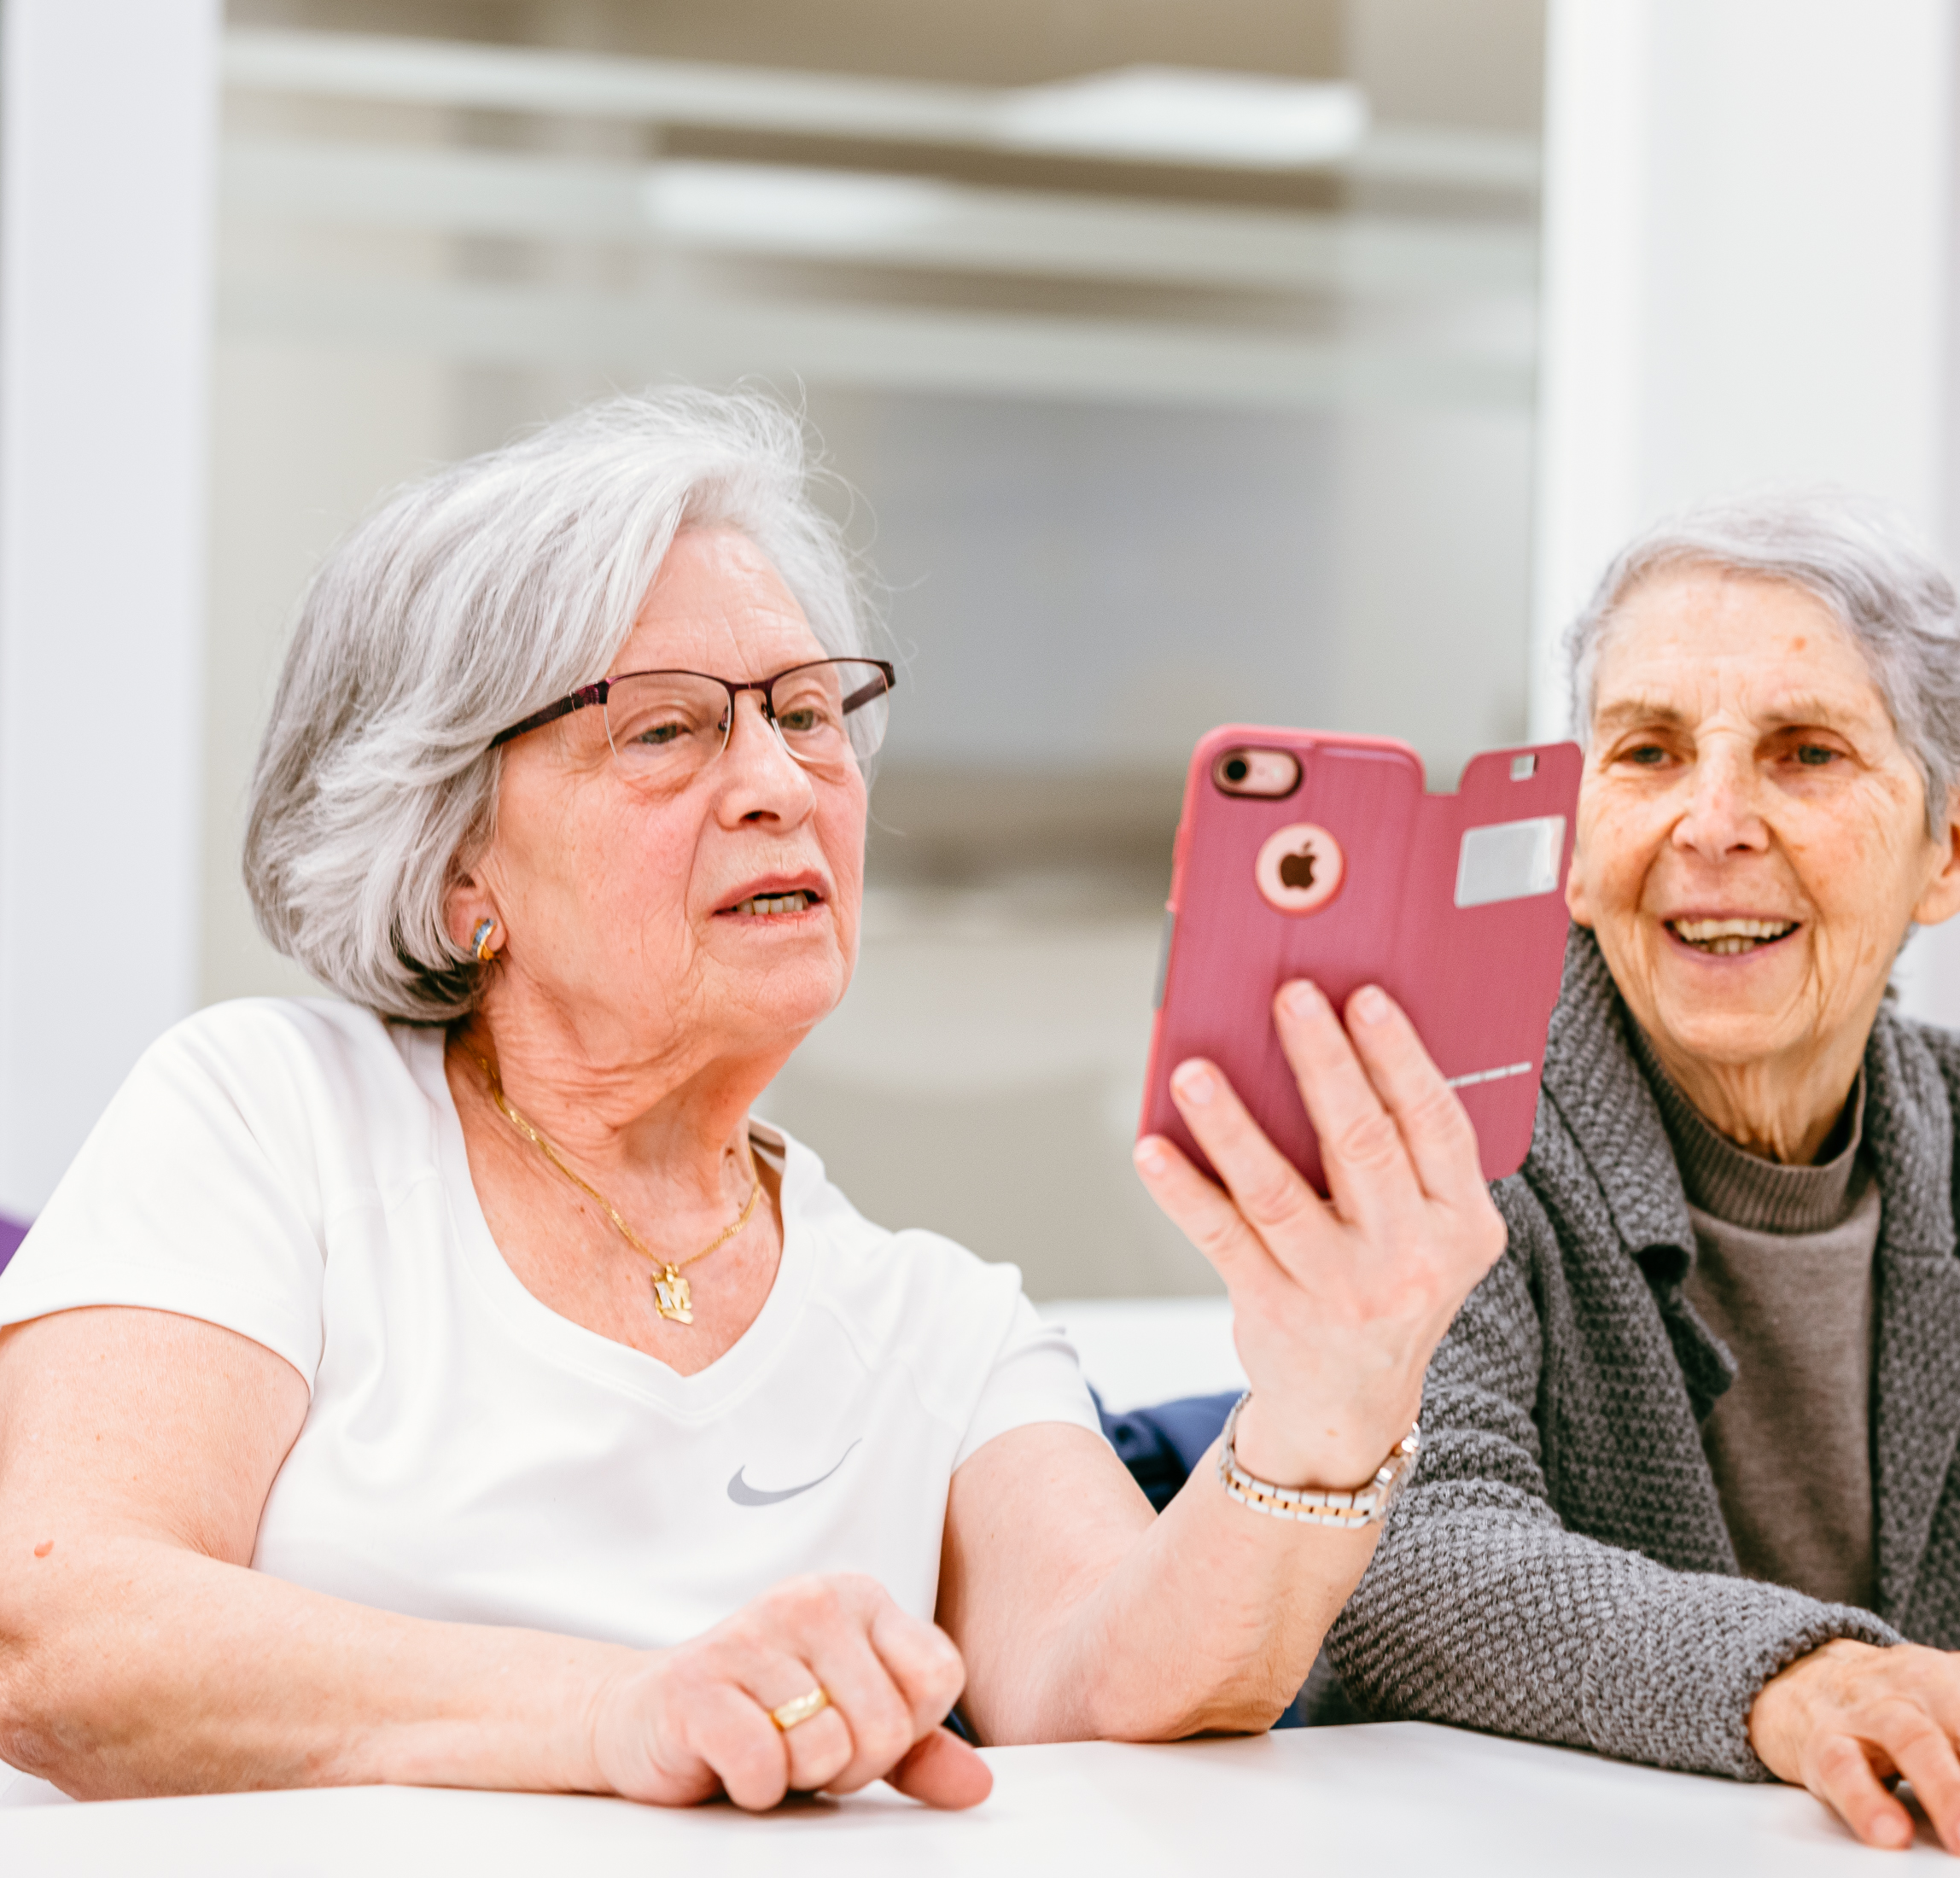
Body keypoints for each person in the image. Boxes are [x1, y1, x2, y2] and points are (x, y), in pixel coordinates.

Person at [0, 389, 1504, 1809]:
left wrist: (1331, 1398)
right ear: (459, 861)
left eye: (806, 709)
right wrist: (623, 1712)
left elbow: (1122, 1689)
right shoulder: (272, 1116)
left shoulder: (934, 1316)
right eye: (668, 727)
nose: (783, 780)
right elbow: (57, 1628)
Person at [1324, 492, 1960, 1859]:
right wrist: (1805, 1681)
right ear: (1569, 834)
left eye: (1804, 753)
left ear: (1955, 845)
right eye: (1649, 753)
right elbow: (1397, 1555)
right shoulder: (1446, 1126)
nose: (1712, 823)